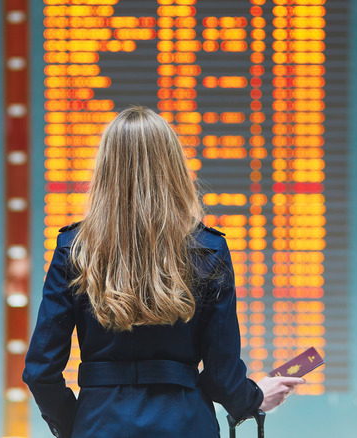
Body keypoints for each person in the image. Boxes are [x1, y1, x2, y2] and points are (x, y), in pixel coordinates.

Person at [22, 106, 304, 437]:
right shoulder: (208, 249)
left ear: (105, 169)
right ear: (173, 166)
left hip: (98, 422)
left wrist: (78, 425)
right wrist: (255, 396)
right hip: (186, 424)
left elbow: (41, 372)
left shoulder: (75, 248)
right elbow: (220, 376)